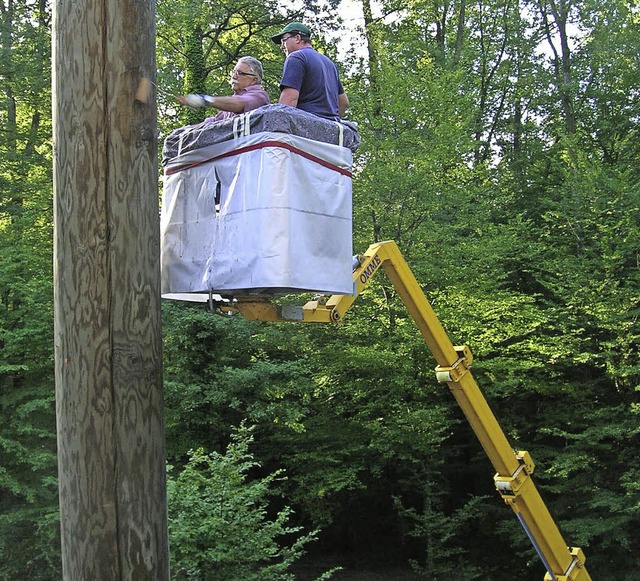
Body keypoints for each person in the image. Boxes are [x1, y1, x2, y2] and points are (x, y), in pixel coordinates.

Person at [271, 22, 349, 121]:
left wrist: (278, 124)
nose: (282, 46)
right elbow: (343, 103)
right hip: (331, 129)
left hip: (305, 128)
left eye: (283, 41)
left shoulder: (296, 57)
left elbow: (289, 100)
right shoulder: (330, 64)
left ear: (297, 38)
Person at [177, 56, 270, 121]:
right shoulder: (233, 100)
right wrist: (187, 130)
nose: (234, 76)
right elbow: (215, 121)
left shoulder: (259, 96)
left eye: (240, 73)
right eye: (234, 72)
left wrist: (204, 100)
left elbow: (240, 103)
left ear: (254, 80)